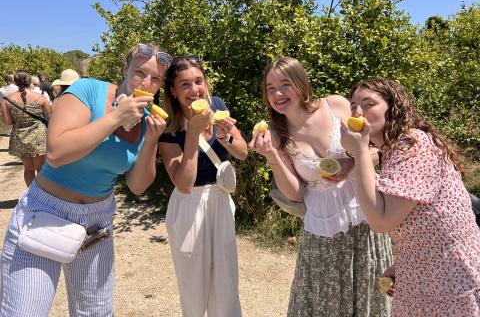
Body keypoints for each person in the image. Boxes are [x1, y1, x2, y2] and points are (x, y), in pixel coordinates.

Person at [0, 43, 171, 317]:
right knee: (24, 311)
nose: (147, 84)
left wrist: (151, 140)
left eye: (156, 79)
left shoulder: (147, 119)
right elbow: (56, 153)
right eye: (140, 73)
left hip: (96, 223)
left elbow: (138, 186)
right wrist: (115, 117)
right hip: (45, 210)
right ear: (125, 68)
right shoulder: (89, 90)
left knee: (95, 313)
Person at [249, 57, 392, 316]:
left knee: (369, 291)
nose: (278, 94)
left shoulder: (335, 105)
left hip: (365, 211)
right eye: (270, 88)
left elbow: (378, 150)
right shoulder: (276, 132)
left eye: (285, 84)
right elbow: (294, 192)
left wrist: (352, 163)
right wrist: (272, 157)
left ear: (301, 83)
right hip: (322, 225)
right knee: (326, 300)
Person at [340, 78, 480, 316]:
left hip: (451, 274)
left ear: (393, 108)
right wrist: (403, 263)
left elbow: (381, 221)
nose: (358, 111)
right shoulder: (394, 149)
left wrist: (360, 151)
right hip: (422, 269)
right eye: (353, 106)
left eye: (368, 103)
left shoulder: (413, 145)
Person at [158, 55, 248, 317]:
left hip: (220, 200)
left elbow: (242, 152)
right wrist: (194, 133)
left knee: (226, 284)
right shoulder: (168, 127)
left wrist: (225, 135)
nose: (194, 90)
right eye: (185, 85)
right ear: (173, 92)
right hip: (189, 207)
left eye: (198, 81)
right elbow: (184, 184)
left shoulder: (217, 105)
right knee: (194, 289)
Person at [0, 70, 50, 186]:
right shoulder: (41, 98)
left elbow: (7, 122)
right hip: (39, 136)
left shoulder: (6, 100)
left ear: (15, 82)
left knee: (28, 169)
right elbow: (50, 118)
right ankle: (43, 197)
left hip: (20, 136)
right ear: (30, 81)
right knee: (41, 169)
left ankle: (31, 196)